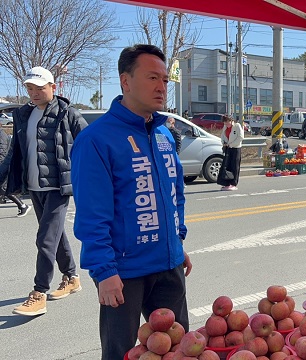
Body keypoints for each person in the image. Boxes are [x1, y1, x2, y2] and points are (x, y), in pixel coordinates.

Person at [70, 44, 192, 360]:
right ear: (126, 81)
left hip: (169, 265)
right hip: (122, 273)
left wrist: (177, 242)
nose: (162, 87)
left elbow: (174, 194)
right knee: (121, 352)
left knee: (179, 349)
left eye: (165, 80)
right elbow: (92, 214)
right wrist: (103, 270)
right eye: (152, 77)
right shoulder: (96, 139)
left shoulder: (164, 134)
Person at [0, 66, 87, 316]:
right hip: (34, 186)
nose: (34, 93)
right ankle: (71, 277)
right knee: (55, 236)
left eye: (40, 88)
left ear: (53, 87)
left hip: (59, 186)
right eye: (30, 88)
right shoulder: (23, 115)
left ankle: (39, 293)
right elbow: (15, 151)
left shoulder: (68, 113)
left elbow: (89, 144)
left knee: (45, 238)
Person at [0, 129, 30, 216]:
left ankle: (23, 205)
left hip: (2, 165)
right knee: (3, 189)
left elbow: (2, 152)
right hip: (3, 164)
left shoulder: (1, 134)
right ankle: (22, 206)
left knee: (3, 189)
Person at [217, 115, 244, 191]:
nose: (226, 124)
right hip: (228, 148)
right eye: (225, 122)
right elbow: (222, 136)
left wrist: (231, 144)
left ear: (231, 120)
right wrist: (224, 143)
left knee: (235, 166)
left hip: (236, 148)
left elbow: (241, 137)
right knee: (227, 166)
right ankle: (227, 183)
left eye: (227, 122)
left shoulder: (237, 126)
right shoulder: (225, 127)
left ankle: (233, 183)